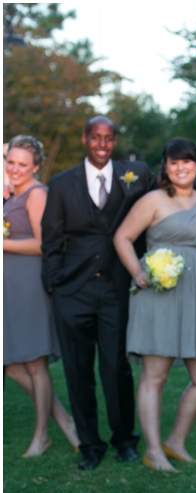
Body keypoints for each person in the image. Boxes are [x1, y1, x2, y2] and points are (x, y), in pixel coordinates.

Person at [41, 116, 196, 471]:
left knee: (127, 368)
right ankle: (99, 446)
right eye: (95, 137)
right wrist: (54, 284)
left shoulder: (132, 173)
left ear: (115, 141)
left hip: (139, 290)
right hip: (81, 290)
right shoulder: (63, 184)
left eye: (108, 138)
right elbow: (52, 240)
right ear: (84, 139)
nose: (102, 144)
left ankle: (144, 441)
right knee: (83, 371)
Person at [113, 138, 196, 472]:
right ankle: (153, 451)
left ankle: (175, 440)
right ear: (165, 166)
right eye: (174, 162)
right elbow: (121, 237)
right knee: (156, 374)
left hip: (195, 295)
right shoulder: (152, 200)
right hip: (158, 293)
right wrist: (137, 271)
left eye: (188, 161)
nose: (181, 167)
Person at [3, 135, 80, 456]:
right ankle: (64, 420)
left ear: (36, 166)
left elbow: (42, 243)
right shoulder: (11, 195)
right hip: (10, 289)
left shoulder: (37, 195)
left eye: (23, 164)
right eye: (11, 162)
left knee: (35, 365)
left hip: (30, 287)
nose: (15, 168)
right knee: (11, 366)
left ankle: (41, 436)